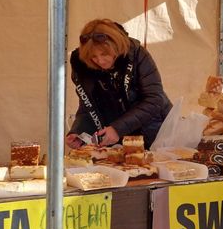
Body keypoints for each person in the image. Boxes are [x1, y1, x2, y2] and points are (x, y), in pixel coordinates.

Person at [65, 18, 172, 150]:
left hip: (155, 134)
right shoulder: (84, 67)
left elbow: (155, 99)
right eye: (93, 56)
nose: (100, 61)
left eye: (104, 54)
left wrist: (118, 128)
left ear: (116, 46)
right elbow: (88, 107)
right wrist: (79, 131)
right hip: (117, 139)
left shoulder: (137, 54)